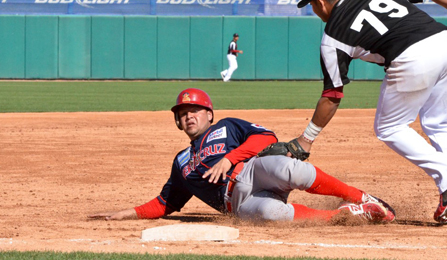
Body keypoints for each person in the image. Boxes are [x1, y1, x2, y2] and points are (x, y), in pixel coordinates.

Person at [294, 0, 447, 225]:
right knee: (439, 123)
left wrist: (307, 139)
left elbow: (332, 95)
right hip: (444, 43)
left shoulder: (333, 36)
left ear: (319, 2)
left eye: (312, 6)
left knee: (389, 127)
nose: (315, 12)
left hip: (412, 57)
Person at [89, 88, 395, 224]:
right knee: (270, 215)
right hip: (236, 203)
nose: (188, 117)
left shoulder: (227, 127)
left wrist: (230, 158)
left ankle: (362, 197)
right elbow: (165, 203)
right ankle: (346, 216)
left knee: (289, 168)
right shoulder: (181, 162)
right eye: (182, 114)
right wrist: (123, 214)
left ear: (208, 114)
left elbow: (267, 137)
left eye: (194, 110)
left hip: (251, 171)